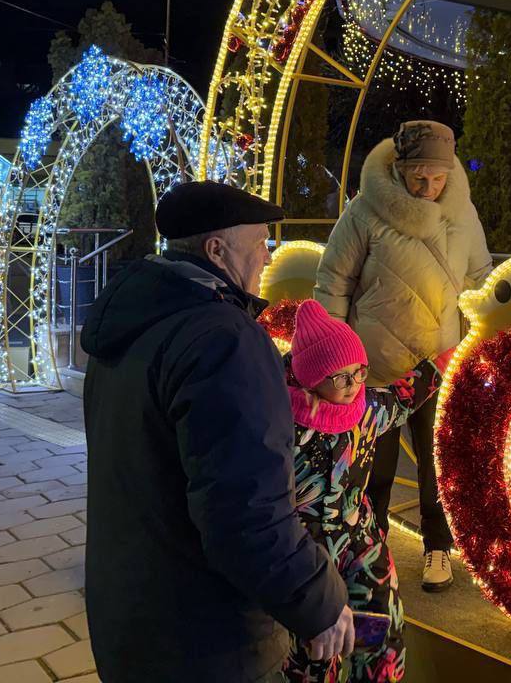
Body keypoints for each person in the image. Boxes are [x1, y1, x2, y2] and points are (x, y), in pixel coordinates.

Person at [81, 181, 353, 682]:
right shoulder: (224, 341)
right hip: (204, 641)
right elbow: (245, 515)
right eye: (260, 242)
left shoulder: (130, 323)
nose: (268, 256)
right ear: (216, 250)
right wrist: (319, 601)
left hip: (128, 619)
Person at [315, 120, 491, 592]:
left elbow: (480, 279)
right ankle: (374, 546)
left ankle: (438, 546)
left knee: (438, 463)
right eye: (418, 176)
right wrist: (335, 359)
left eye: (437, 177)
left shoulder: (463, 215)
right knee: (375, 466)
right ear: (398, 168)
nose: (427, 186)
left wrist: (476, 339)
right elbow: (333, 281)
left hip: (439, 363)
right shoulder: (364, 211)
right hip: (375, 366)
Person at [282, 299, 453, 683]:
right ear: (310, 377)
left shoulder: (368, 409)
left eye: (359, 373)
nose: (354, 385)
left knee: (380, 638)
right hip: (302, 553)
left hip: (361, 545)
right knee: (312, 653)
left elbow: (407, 395)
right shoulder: (280, 420)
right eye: (340, 377)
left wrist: (446, 356)